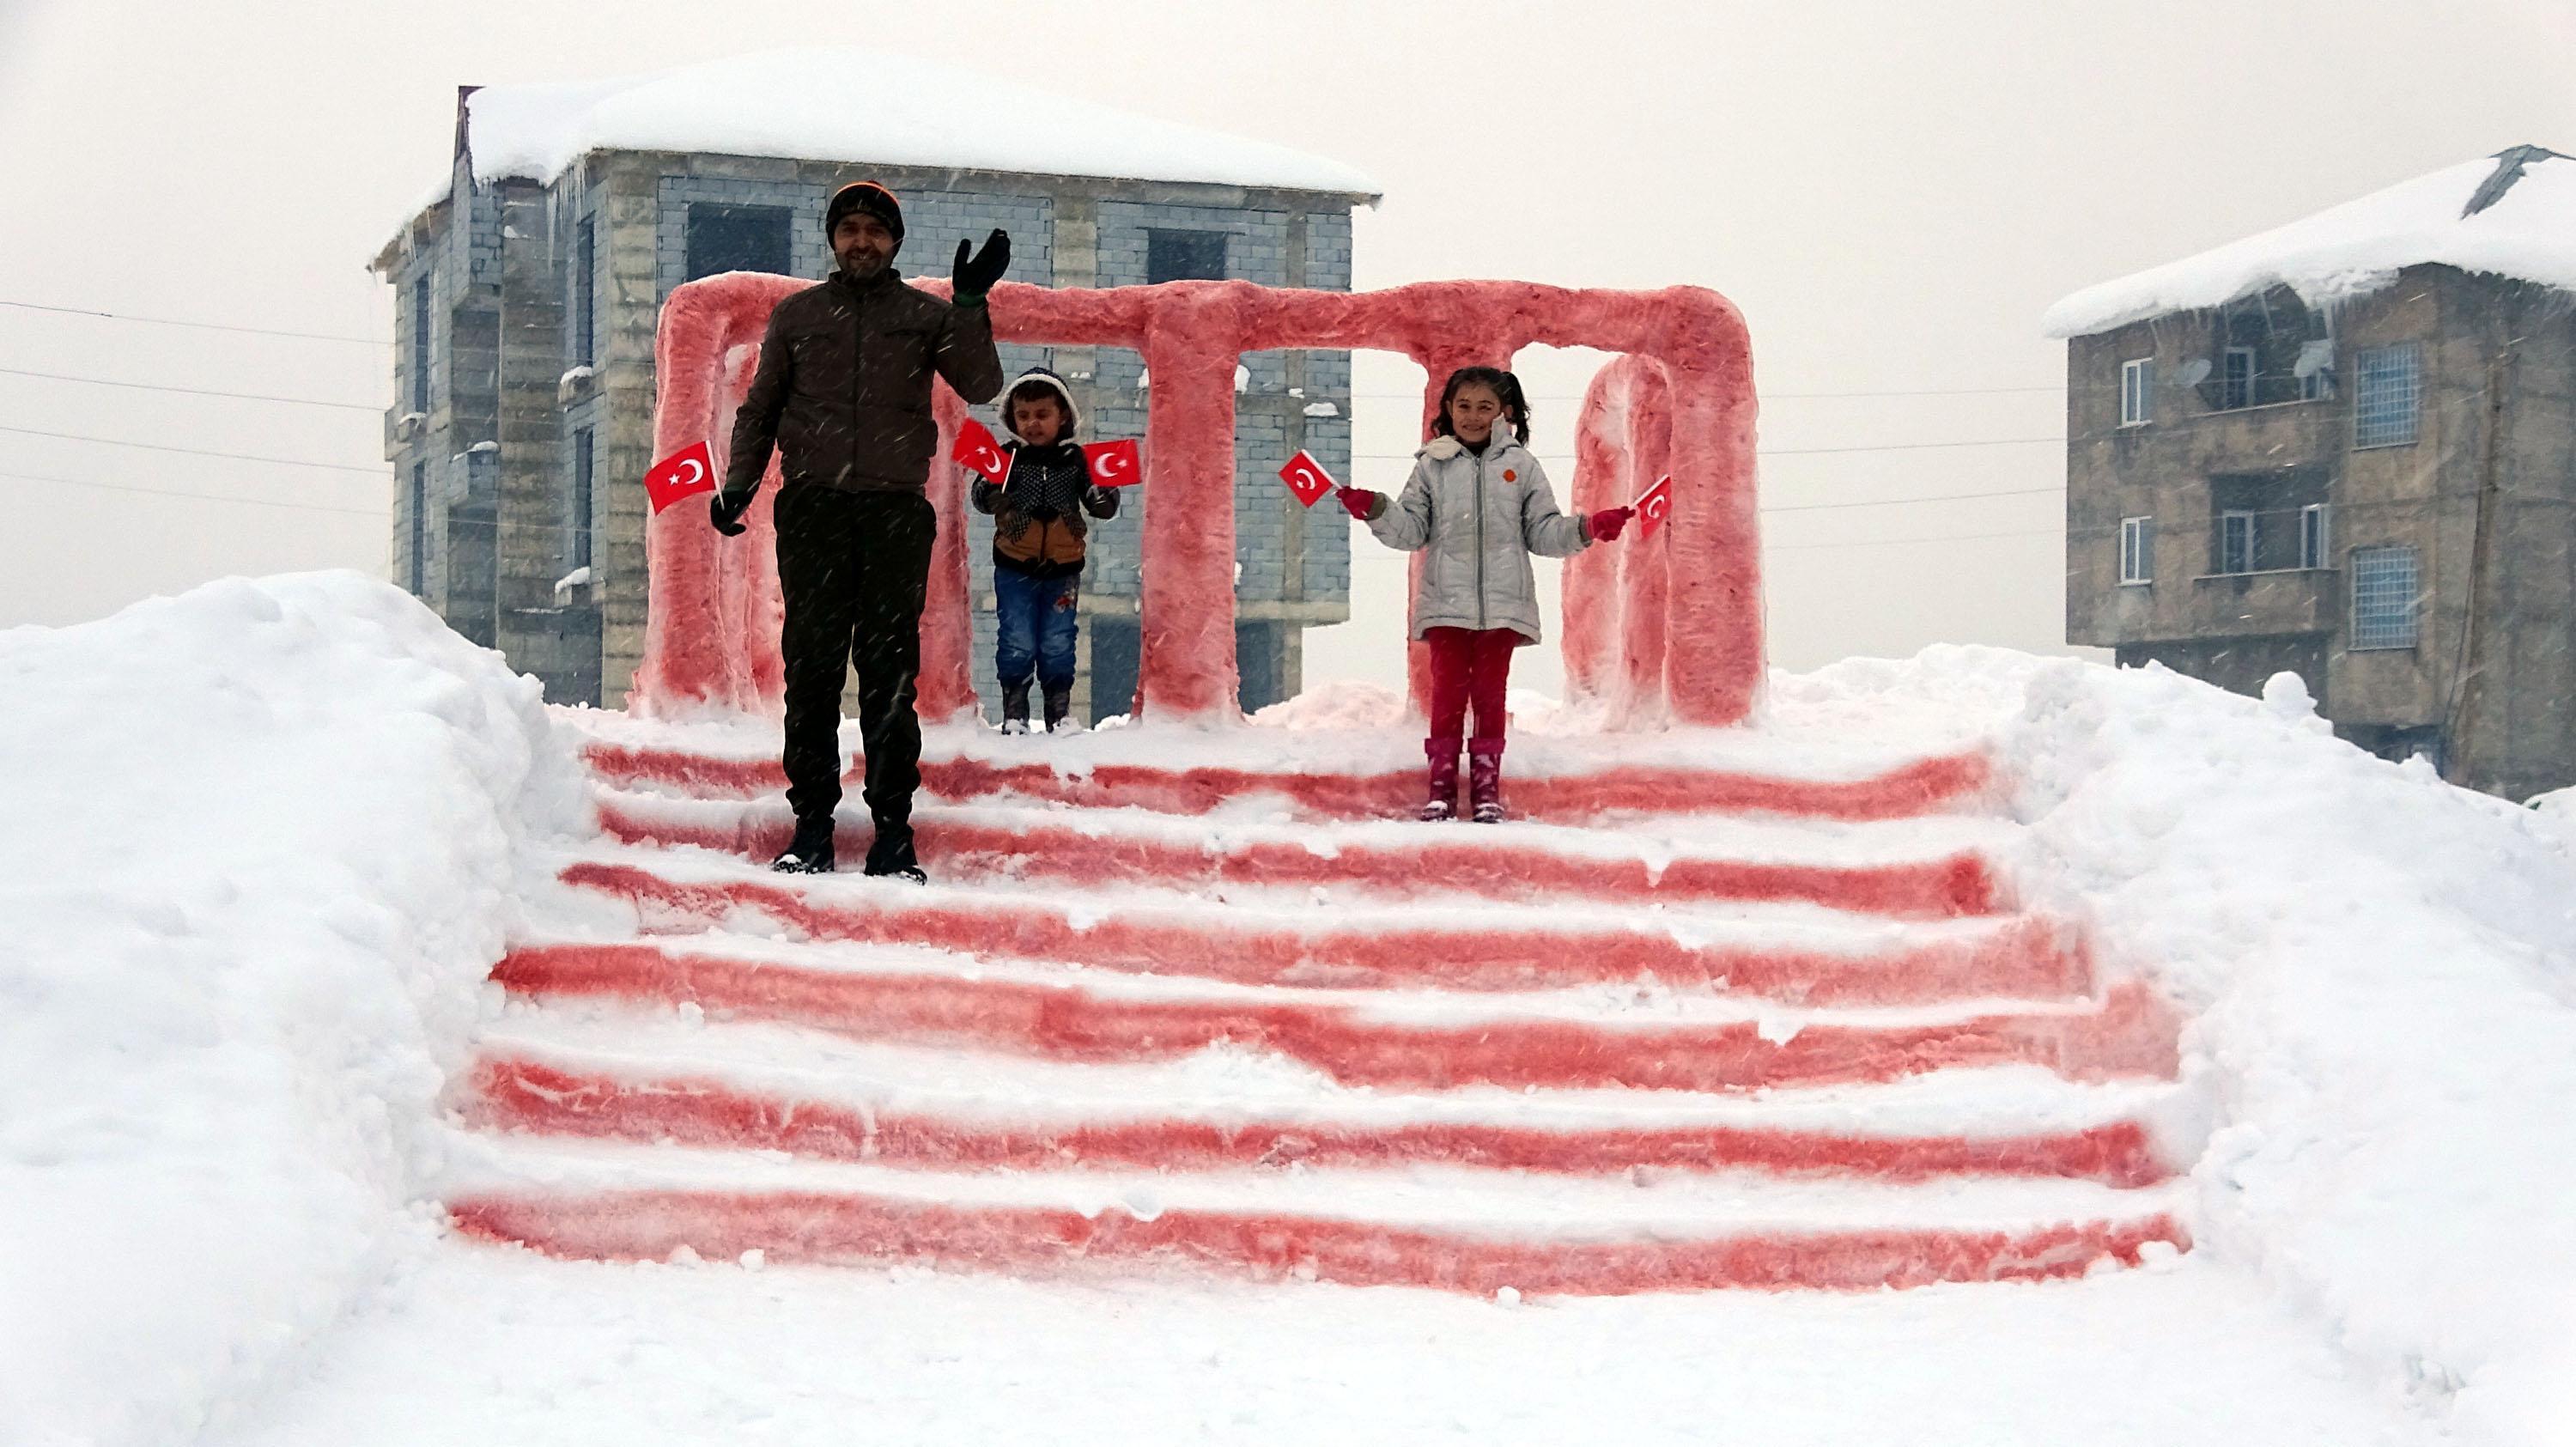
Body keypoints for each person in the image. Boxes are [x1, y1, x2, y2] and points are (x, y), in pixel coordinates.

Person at [709, 180, 1009, 879]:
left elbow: (981, 382)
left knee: (889, 679)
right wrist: (740, 482)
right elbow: (760, 409)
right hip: (813, 511)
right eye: (850, 230)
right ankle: (811, 825)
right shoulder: (799, 316)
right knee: (811, 675)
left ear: (895, 242)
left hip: (893, 515)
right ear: (833, 240)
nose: (862, 240)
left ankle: (892, 833)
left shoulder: (923, 316)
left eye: (876, 229)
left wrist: (969, 305)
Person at [1337, 366, 1632, 823]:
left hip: (1504, 606)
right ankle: (1440, 790)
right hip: (1445, 605)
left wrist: (1588, 527)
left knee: (1491, 698)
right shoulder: (1431, 466)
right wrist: (1378, 510)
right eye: (1463, 406)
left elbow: (1544, 533)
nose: (1473, 416)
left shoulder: (1521, 466)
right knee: (1448, 699)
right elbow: (1411, 531)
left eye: (1484, 407)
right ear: (1449, 411)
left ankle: (1486, 791)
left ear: (1506, 412)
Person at [969, 368, 1121, 733]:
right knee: (1016, 638)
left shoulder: (1077, 460)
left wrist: (1103, 497)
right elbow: (979, 493)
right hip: (1013, 565)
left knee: (1058, 640)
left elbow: (1099, 499)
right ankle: (1015, 712)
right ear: (1012, 418)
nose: (1032, 424)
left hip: (1063, 569)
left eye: (1042, 415)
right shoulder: (1006, 457)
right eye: (1023, 416)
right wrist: (991, 496)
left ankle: (1058, 712)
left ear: (1063, 416)